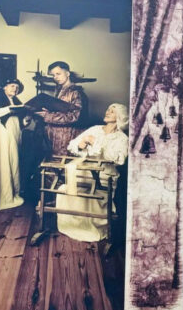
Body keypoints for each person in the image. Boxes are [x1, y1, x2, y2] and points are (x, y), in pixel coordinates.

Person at [56, 103, 130, 242]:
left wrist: (96, 143)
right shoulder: (95, 129)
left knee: (94, 193)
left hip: (104, 175)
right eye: (108, 109)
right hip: (85, 171)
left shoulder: (122, 138)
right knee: (64, 189)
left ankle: (92, 227)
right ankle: (72, 225)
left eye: (112, 111)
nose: (107, 112)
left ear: (120, 117)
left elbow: (119, 159)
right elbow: (72, 145)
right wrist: (81, 145)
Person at [38, 61, 88, 157]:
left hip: (68, 137)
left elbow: (75, 116)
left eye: (58, 74)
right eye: (53, 75)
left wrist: (48, 116)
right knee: (55, 162)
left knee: (65, 162)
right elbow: (60, 110)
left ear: (68, 73)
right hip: (56, 137)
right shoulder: (60, 90)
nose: (55, 77)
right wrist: (48, 111)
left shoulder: (75, 92)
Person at [0, 79, 26, 211]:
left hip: (14, 135)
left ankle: (12, 193)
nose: (15, 89)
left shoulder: (17, 102)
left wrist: (25, 121)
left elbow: (20, 122)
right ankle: (3, 196)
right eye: (12, 86)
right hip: (2, 135)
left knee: (13, 163)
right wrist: (9, 109)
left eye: (17, 87)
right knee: (3, 163)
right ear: (4, 87)